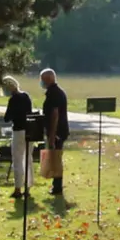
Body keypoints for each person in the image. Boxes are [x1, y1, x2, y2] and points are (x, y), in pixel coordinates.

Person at [2, 75, 34, 199]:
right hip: (29, 130)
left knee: (17, 159)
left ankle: (17, 188)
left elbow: (7, 118)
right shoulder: (26, 96)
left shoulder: (13, 100)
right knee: (28, 158)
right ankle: (28, 185)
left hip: (18, 131)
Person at [40, 68, 69, 196]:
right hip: (58, 130)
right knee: (55, 158)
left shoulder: (54, 93)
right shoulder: (56, 92)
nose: (41, 82)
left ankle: (57, 187)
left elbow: (55, 115)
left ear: (48, 79)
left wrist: (52, 135)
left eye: (42, 79)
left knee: (56, 158)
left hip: (57, 131)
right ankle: (56, 184)